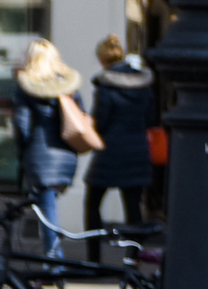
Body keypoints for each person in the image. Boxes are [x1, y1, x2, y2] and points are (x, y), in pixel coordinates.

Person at [9, 40, 86, 260]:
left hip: (41, 155)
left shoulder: (27, 88)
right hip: (66, 156)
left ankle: (54, 260)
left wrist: (23, 150)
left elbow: (22, 126)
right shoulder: (69, 87)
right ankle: (51, 256)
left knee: (48, 212)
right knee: (47, 207)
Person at [83, 38, 157, 261]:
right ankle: (132, 258)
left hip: (110, 151)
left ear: (103, 59)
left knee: (93, 203)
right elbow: (151, 119)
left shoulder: (106, 86)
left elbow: (101, 122)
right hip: (137, 151)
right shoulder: (143, 86)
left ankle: (94, 258)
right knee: (133, 209)